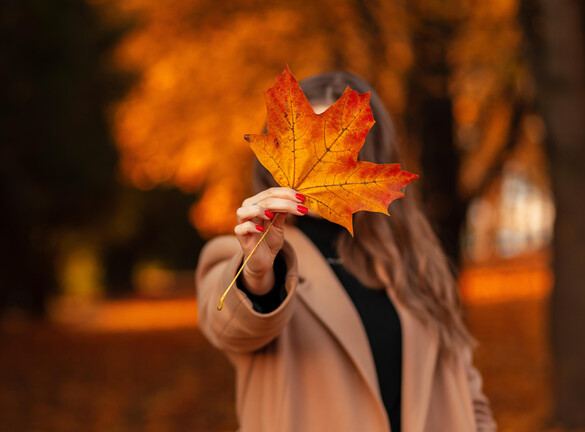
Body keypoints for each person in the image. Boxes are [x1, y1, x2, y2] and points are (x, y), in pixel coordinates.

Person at [195, 71, 497, 432]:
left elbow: (466, 391)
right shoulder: (243, 255)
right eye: (305, 150)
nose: (320, 169)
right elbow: (230, 327)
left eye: (346, 154)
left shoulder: (413, 258)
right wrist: (257, 274)